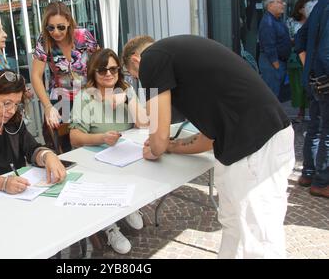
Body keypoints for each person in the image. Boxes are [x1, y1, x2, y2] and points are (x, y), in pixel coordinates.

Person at [122, 35, 295, 259]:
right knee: (235, 225)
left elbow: (158, 136)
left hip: (255, 146)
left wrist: (157, 147)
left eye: (136, 77)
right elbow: (205, 140)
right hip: (253, 144)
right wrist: (170, 147)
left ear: (136, 60)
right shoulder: (183, 58)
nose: (141, 81)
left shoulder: (152, 58)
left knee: (257, 239)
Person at [69, 49, 149, 254]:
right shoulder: (84, 97)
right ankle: (109, 226)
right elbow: (75, 138)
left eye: (113, 69)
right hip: (96, 156)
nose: (108, 74)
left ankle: (129, 205)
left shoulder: (126, 89)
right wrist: (102, 138)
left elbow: (143, 123)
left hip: (127, 155)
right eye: (102, 69)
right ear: (93, 73)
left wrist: (127, 99)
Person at [31, 1, 98, 149]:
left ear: (68, 21)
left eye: (60, 27)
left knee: (89, 140)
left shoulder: (83, 35)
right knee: (63, 144)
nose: (55, 32)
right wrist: (48, 106)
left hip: (86, 96)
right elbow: (36, 76)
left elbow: (100, 61)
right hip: (61, 99)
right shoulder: (44, 40)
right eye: (51, 27)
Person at [295, 0, 329, 197]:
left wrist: (308, 67)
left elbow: (300, 37)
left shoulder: (321, 4)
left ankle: (308, 173)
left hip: (314, 79)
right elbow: (326, 52)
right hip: (323, 80)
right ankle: (322, 182)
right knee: (326, 131)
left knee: (315, 127)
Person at [258, 0, 292, 98]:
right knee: (271, 97)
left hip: (278, 63)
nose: (284, 4)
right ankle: (269, 115)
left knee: (276, 97)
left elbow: (279, 39)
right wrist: (276, 66)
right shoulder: (268, 22)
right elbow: (269, 46)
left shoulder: (276, 20)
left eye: (283, 1)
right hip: (272, 64)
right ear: (270, 5)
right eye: (280, 2)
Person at [286, 0, 311, 122]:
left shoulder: (314, 20)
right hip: (295, 59)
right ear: (300, 9)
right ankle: (301, 112)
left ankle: (313, 113)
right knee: (298, 86)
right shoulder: (291, 21)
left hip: (311, 57)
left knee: (311, 86)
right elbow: (288, 38)